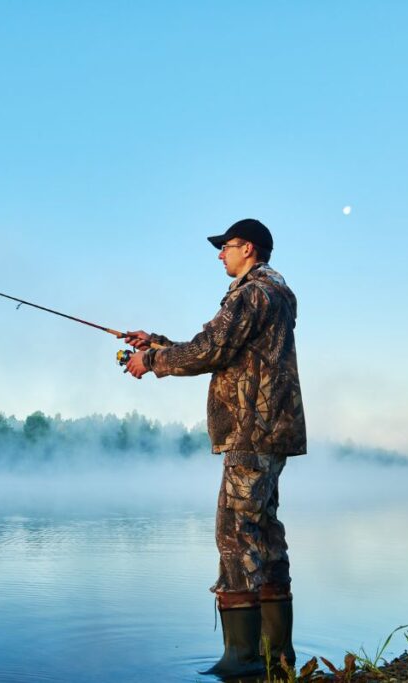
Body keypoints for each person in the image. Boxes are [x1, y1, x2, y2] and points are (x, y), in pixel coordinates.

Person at [123, 218, 306, 680]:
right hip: (271, 431)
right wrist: (158, 343)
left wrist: (151, 360)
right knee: (264, 533)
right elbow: (226, 349)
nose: (220, 254)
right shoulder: (274, 294)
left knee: (235, 533)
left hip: (250, 430)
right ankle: (277, 656)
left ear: (249, 248)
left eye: (226, 246)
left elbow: (211, 349)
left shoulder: (251, 294)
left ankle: (242, 659)